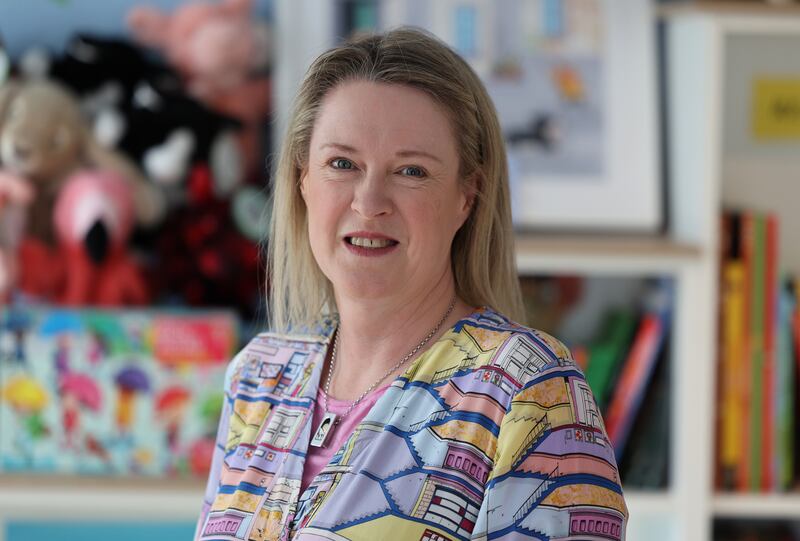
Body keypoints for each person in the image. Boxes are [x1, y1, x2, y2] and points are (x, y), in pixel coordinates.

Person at [196, 28, 628, 541]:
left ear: (467, 196)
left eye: (411, 171)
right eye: (342, 164)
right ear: (303, 179)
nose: (369, 202)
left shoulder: (530, 390)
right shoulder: (257, 376)